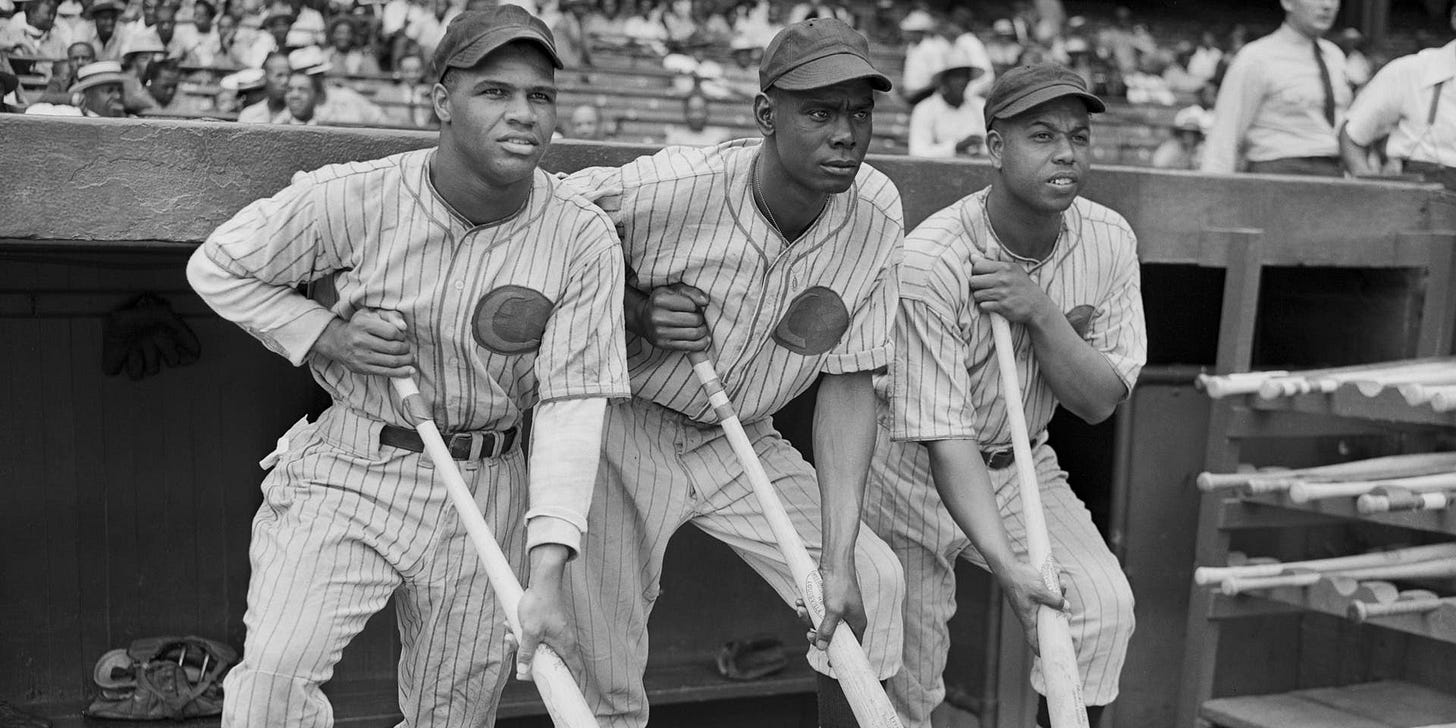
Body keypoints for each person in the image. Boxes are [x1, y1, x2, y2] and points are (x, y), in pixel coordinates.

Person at [186, 6, 629, 727]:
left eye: (539, 96)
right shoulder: (358, 195)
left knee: (453, 714)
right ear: (441, 101)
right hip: (357, 460)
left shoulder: (581, 239)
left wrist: (545, 576)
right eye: (495, 92)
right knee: (271, 683)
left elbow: (573, 407)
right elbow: (221, 266)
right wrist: (327, 334)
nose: (523, 114)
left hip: (490, 480)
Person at [560, 17, 906, 728]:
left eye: (859, 113)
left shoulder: (876, 210)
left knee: (870, 582)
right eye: (818, 112)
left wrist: (835, 560)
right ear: (765, 115)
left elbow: (848, 383)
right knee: (606, 667)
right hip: (628, 428)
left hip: (745, 436)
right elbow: (542, 223)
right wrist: (633, 307)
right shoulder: (674, 183)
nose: (845, 134)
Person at [864, 63, 1142, 728]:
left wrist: (1041, 314)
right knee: (908, 681)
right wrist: (1004, 565)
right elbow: (943, 436)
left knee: (1101, 607)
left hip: (1022, 466)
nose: (1066, 154)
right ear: (994, 148)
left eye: (1079, 137)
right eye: (1042, 136)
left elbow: (1099, 401)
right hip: (910, 470)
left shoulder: (1109, 239)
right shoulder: (934, 259)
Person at [1201, 0, 1349, 175]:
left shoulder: (1335, 56)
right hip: (1277, 173)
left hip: (1333, 171)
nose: (1327, 5)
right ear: (1288, 3)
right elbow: (1226, 131)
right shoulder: (1256, 57)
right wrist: (1213, 191)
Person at [1340, 3, 1456, 189]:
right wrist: (1367, 189)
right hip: (1416, 207)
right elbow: (1353, 135)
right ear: (1454, 17)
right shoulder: (1412, 72)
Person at [907, 47, 987, 159]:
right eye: (956, 76)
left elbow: (992, 146)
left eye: (965, 76)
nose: (962, 81)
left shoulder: (980, 107)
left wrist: (979, 148)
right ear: (944, 80)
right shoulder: (925, 109)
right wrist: (955, 148)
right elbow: (917, 152)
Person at [25, 57, 128, 114]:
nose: (118, 96)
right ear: (88, 95)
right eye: (109, 90)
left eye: (119, 90)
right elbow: (33, 112)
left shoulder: (128, 118)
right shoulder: (72, 115)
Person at [899, 8, 948, 106]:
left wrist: (917, 93)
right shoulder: (911, 47)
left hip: (925, 98)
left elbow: (938, 78)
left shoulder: (932, 49)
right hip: (911, 97)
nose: (906, 35)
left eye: (909, 32)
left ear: (918, 32)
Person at [662, 90, 732, 145]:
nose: (696, 115)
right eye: (692, 110)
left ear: (707, 112)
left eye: (700, 110)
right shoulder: (675, 139)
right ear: (686, 113)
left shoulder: (719, 137)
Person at [236, 48, 286, 120]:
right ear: (265, 77)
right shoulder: (248, 115)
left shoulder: (302, 116)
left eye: (289, 75)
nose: (285, 81)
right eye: (279, 75)